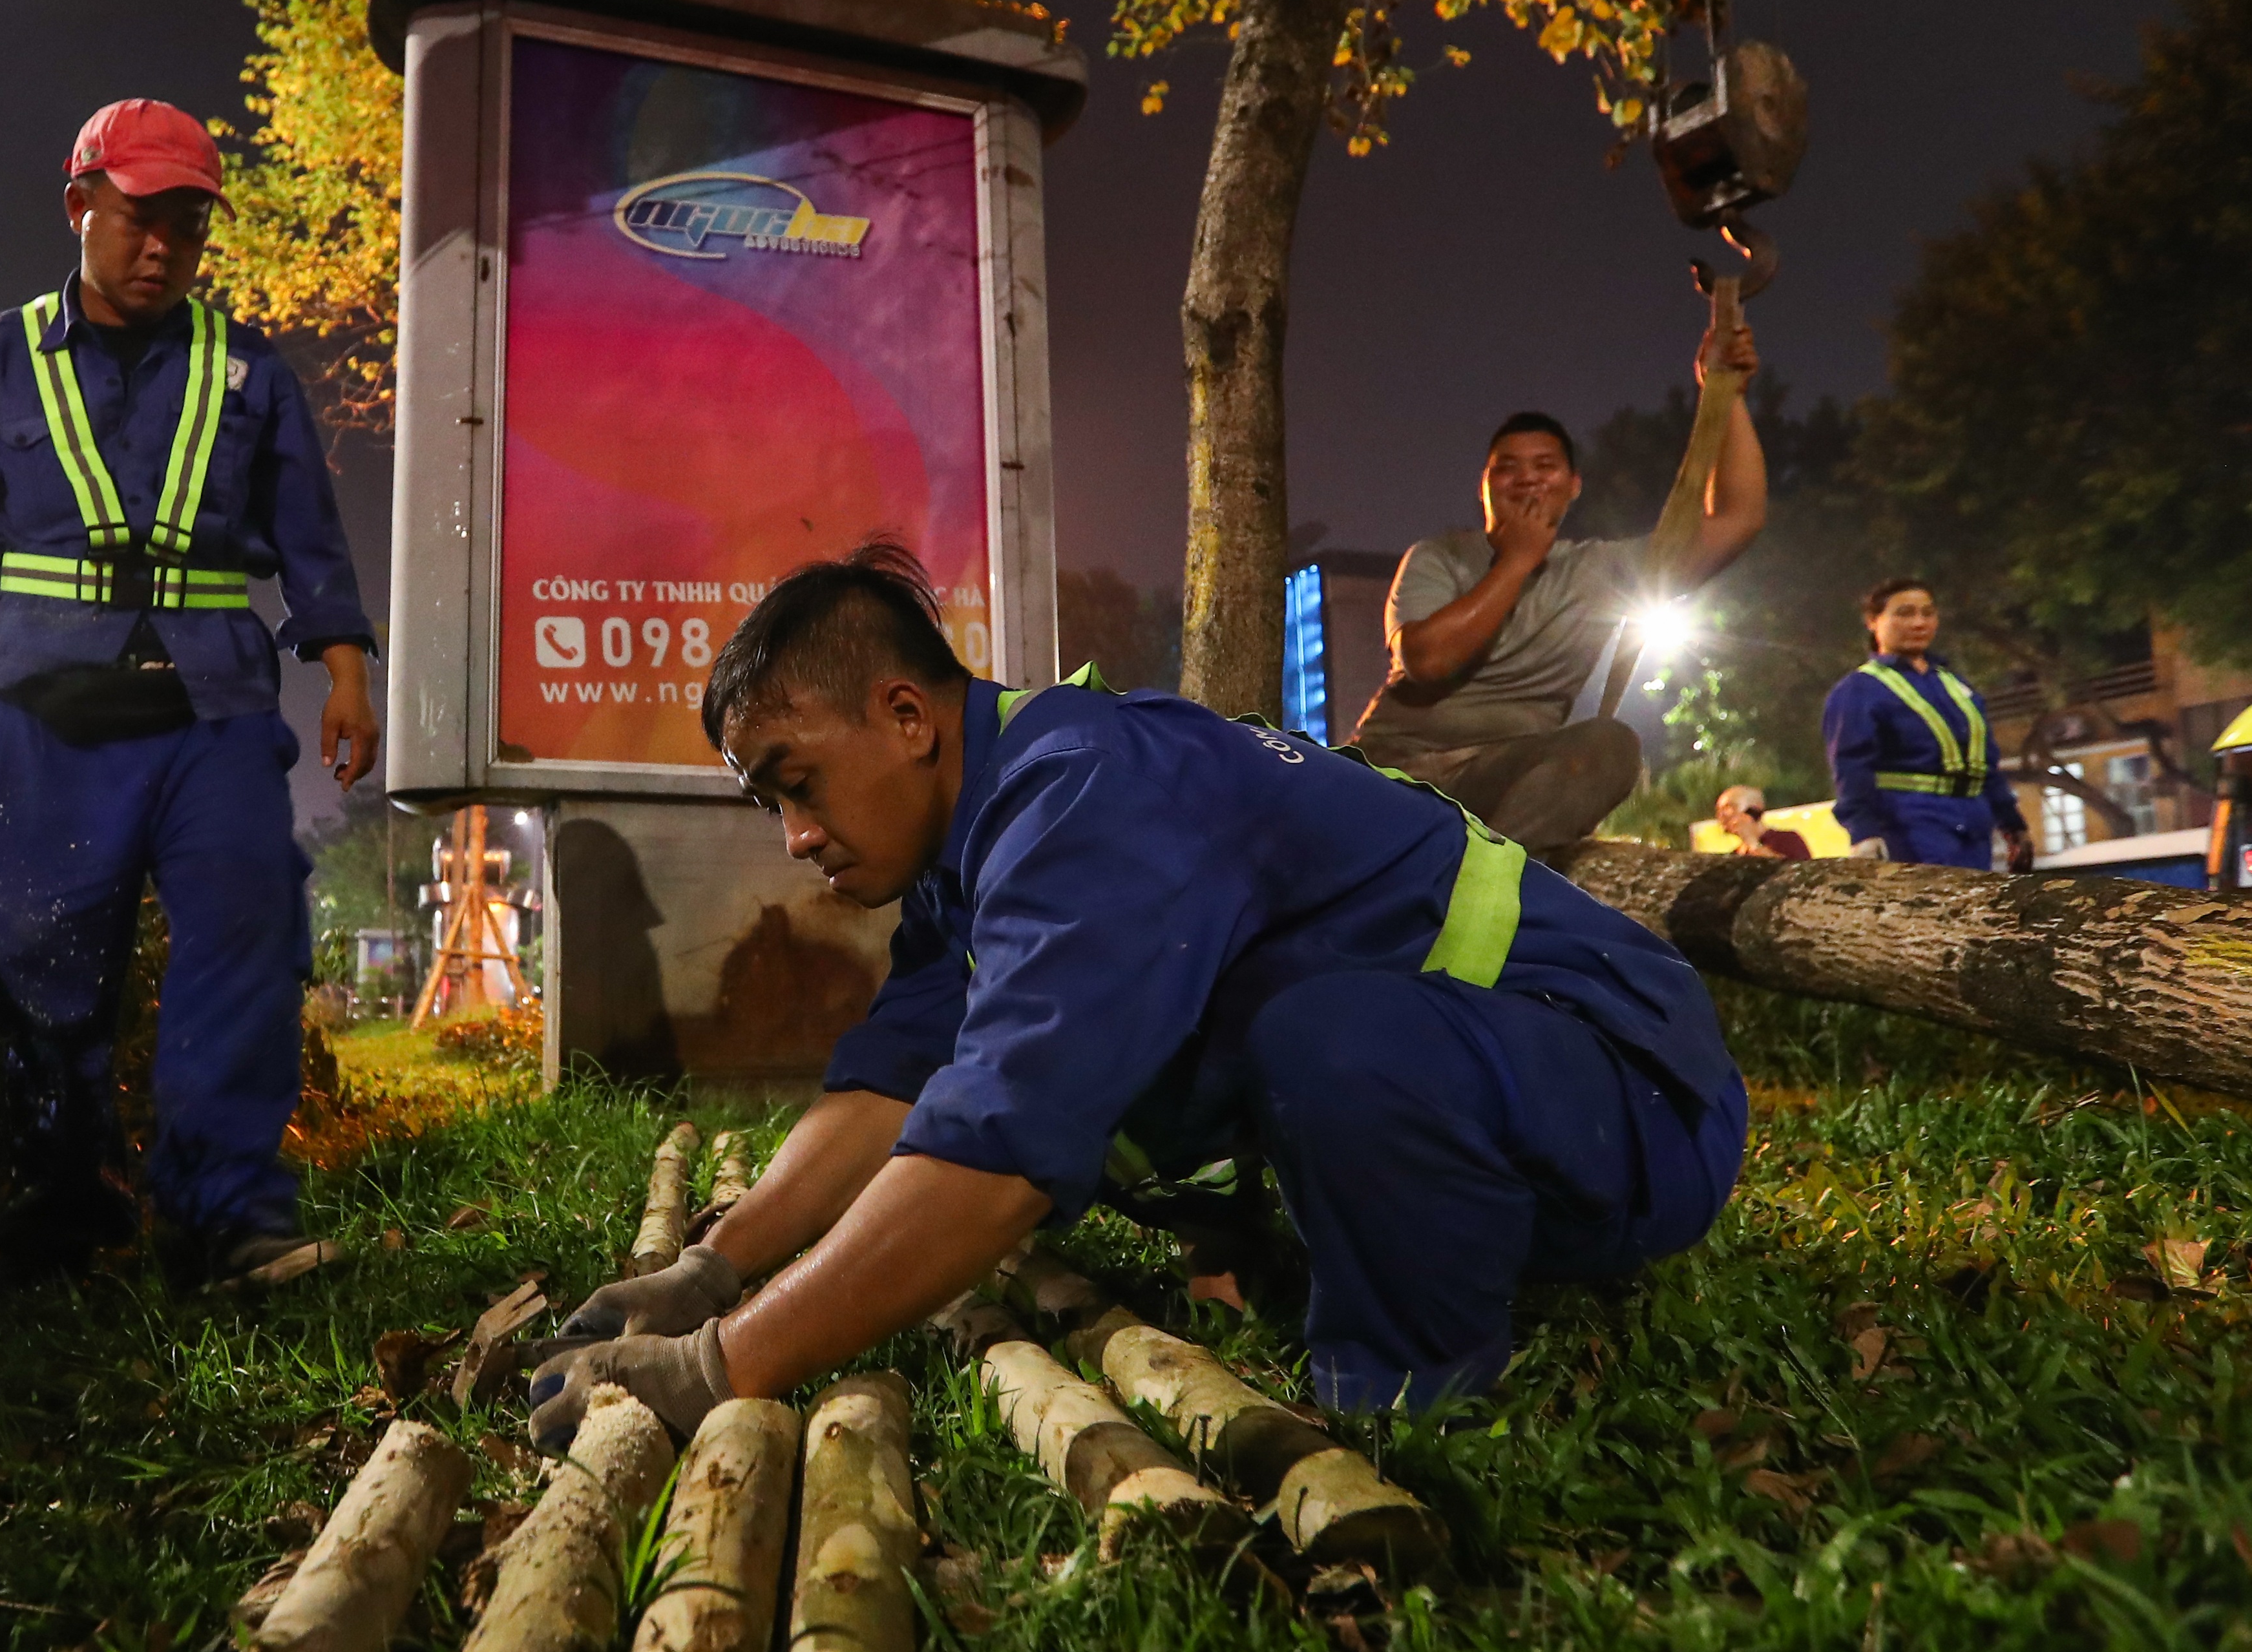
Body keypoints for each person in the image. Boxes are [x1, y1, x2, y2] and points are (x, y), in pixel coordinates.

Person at [528, 542, 1746, 1444]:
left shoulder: (1082, 797)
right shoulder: (979, 848)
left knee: (1324, 1037)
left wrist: (717, 1370)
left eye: (798, 783)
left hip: (1630, 1091)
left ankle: (1408, 1401)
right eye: (771, 804)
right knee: (1283, 1043)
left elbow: (995, 1154)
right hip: (1505, 1077)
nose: (796, 837)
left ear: (905, 716)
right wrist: (714, 1268)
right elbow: (893, 1087)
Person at [0, 99, 382, 1281]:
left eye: (189, 228)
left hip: (214, 719)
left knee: (246, 941)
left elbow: (311, 537)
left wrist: (346, 671)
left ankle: (230, 1216)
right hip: (46, 717)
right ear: (79, 205)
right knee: (41, 970)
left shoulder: (251, 372)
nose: (164, 249)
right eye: (143, 219)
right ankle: (69, 1209)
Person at [1349, 317, 1768, 849]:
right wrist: (1518, 560)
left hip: (1506, 777)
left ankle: (1485, 879)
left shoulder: (1599, 570)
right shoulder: (1440, 556)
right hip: (1394, 770)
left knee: (1610, 745)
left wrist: (1724, 393)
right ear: (1484, 487)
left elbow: (1738, 519)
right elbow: (1428, 661)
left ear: (1572, 487)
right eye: (1507, 468)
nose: (1526, 478)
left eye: (1545, 466)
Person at [1821, 578, 2030, 872]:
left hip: (1973, 824)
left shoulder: (1954, 684)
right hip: (1909, 823)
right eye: (1904, 613)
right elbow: (1851, 767)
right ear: (1872, 621)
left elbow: (1985, 762)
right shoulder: (1859, 690)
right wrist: (1863, 832)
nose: (1919, 623)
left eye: (1928, 613)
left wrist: (2012, 823)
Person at [1712, 784, 1810, 859]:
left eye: (1729, 807)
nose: (1722, 815)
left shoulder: (1789, 841)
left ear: (1752, 810)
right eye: (1719, 810)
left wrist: (1753, 844)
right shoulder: (1734, 856)